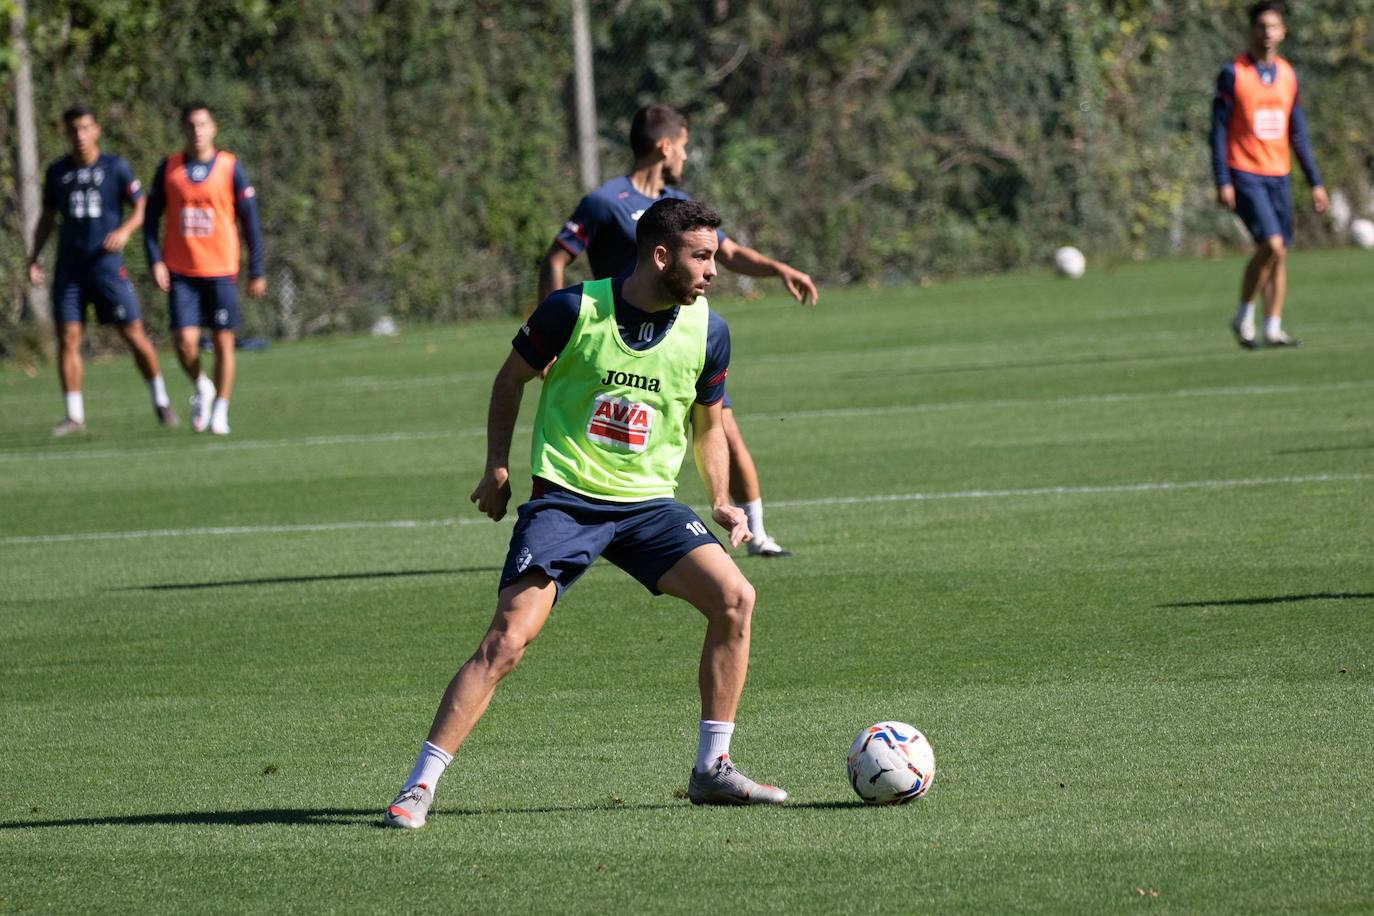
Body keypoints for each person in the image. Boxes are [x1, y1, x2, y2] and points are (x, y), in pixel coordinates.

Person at [383, 199, 787, 829]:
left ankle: (713, 769)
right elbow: (509, 379)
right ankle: (418, 786)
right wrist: (497, 466)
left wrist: (720, 500)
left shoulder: (709, 330)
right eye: (702, 257)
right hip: (567, 501)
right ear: (661, 256)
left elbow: (709, 422)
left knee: (736, 598)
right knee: (506, 642)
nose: (714, 270)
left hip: (649, 506)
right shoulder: (573, 310)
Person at [539, 104, 818, 558]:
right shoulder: (605, 203)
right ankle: (592, 524)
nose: (686, 157)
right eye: (684, 147)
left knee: (723, 427)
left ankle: (758, 535)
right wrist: (554, 335)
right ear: (664, 146)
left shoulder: (676, 206)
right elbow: (555, 258)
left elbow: (730, 253)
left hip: (679, 341)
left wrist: (779, 268)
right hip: (615, 345)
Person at [26, 106, 177, 436]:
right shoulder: (57, 172)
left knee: (132, 334)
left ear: (96, 130)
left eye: (85, 128)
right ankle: (74, 415)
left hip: (107, 269)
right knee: (68, 338)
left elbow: (141, 206)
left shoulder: (115, 167)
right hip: (69, 271)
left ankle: (162, 400)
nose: (79, 136)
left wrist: (124, 232)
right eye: (73, 130)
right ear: (65, 134)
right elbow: (48, 218)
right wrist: (34, 256)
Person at [144, 102, 266, 435]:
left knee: (224, 343)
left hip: (221, 269)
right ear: (183, 130)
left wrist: (257, 268)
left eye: (203, 124)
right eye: (191, 125)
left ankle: (221, 411)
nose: (197, 131)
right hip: (181, 270)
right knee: (185, 343)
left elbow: (250, 220)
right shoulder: (169, 169)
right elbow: (151, 218)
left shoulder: (229, 167)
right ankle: (203, 386)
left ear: (213, 128)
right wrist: (155, 259)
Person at [1212, 1, 1327, 349]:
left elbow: (1298, 133)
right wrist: (1222, 179)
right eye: (1261, 26)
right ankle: (1243, 314)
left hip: (1279, 173)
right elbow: (1217, 130)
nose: (1267, 33)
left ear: (1283, 32)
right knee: (1272, 245)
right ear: (1251, 31)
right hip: (1245, 171)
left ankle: (1273, 327)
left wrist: (1315, 181)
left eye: (1273, 26)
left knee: (1280, 253)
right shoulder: (1233, 73)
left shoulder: (1289, 74)